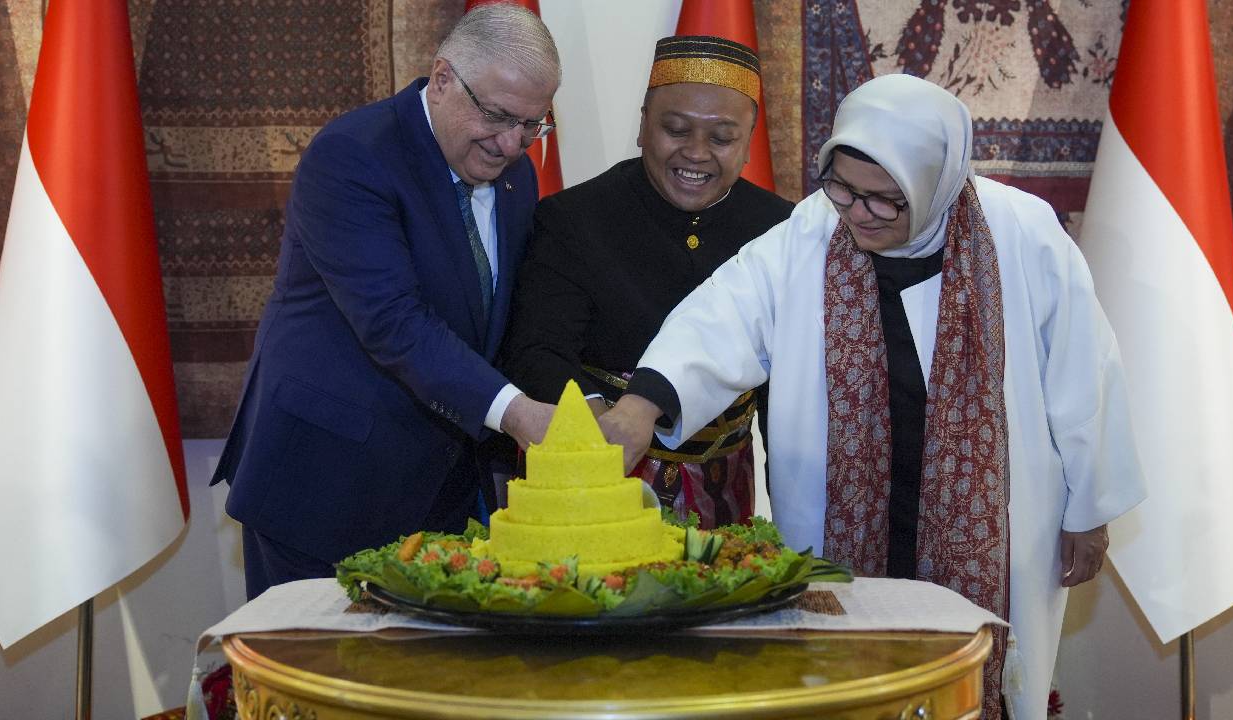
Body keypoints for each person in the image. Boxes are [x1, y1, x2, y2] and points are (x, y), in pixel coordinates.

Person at [600, 74, 1147, 719]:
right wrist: (640, 406)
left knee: (980, 682)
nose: (858, 213)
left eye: (886, 200)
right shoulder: (811, 232)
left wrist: (1088, 508)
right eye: (845, 189)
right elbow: (723, 317)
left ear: (936, 186)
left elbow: (1085, 373)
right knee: (846, 682)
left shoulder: (1019, 231)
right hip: (846, 511)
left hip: (995, 515)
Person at [212, 4, 561, 600]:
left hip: (442, 495)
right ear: (444, 77)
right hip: (324, 486)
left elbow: (498, 318)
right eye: (499, 116)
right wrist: (522, 413)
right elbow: (393, 322)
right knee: (317, 687)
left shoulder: (516, 175)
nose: (512, 143)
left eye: (533, 124)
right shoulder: (353, 156)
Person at [499, 36, 793, 528]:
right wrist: (596, 427)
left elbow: (788, 383)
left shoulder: (781, 228)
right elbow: (537, 350)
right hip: (600, 472)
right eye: (675, 130)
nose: (696, 154)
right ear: (642, 126)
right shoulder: (574, 218)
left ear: (749, 139)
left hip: (726, 482)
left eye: (721, 138)